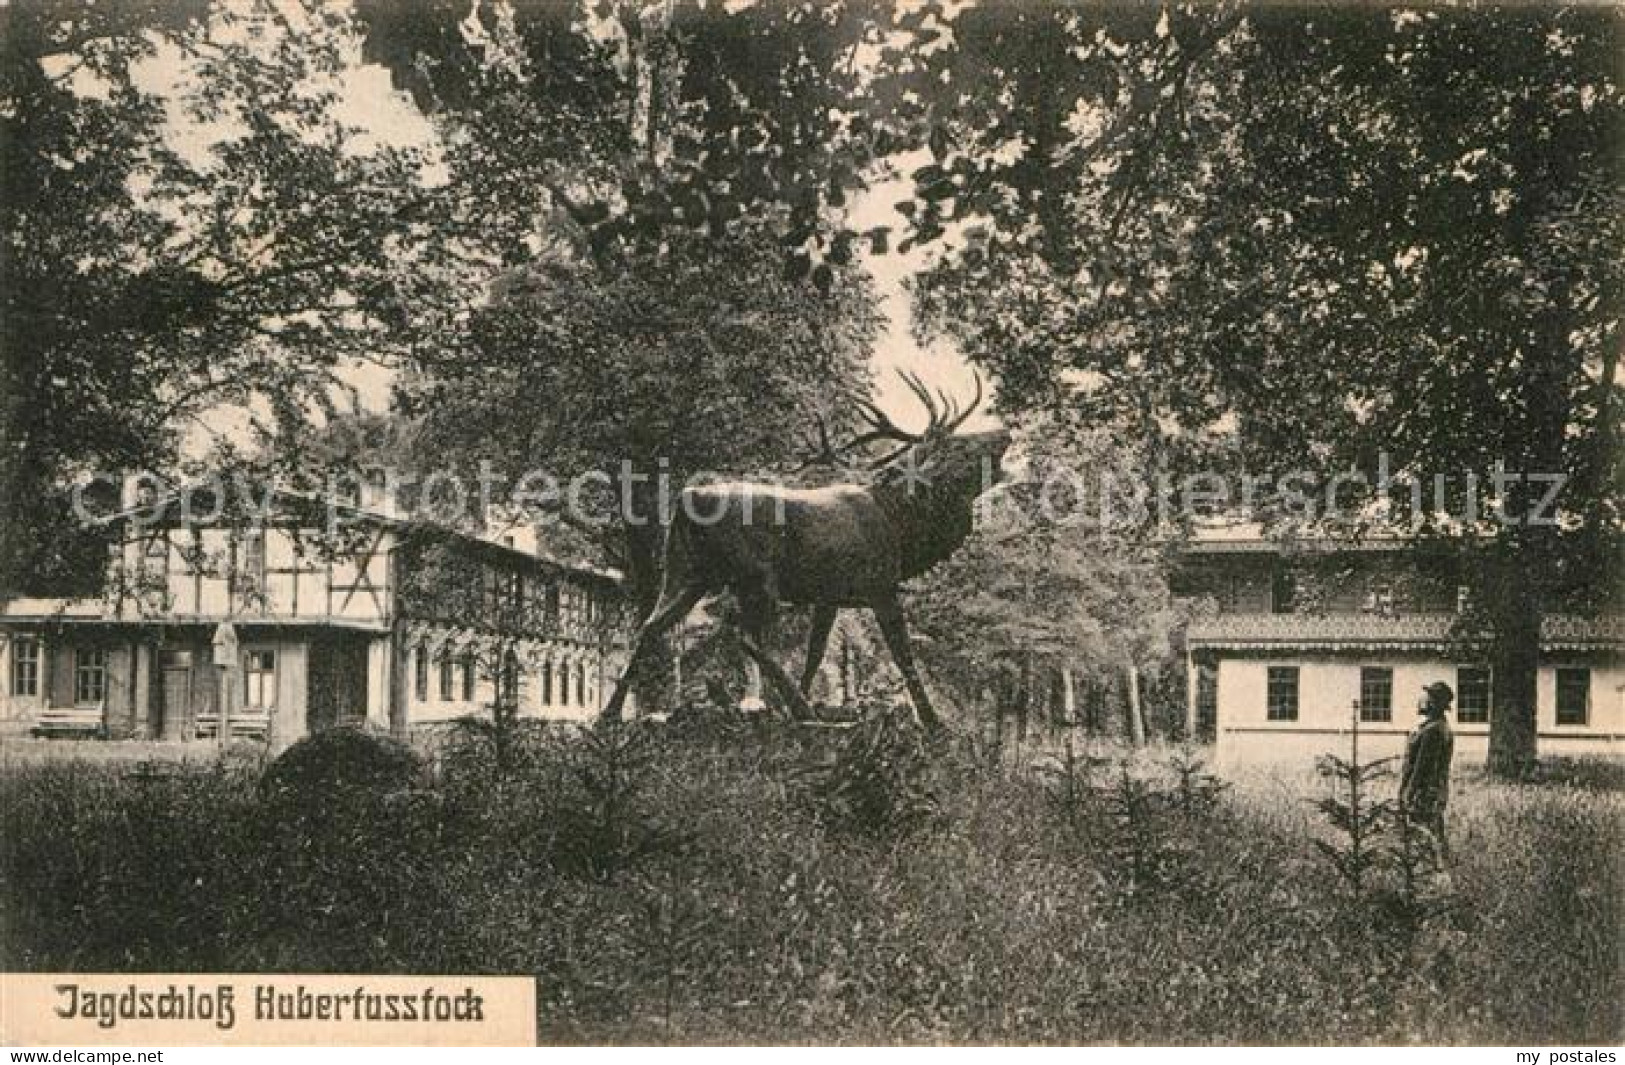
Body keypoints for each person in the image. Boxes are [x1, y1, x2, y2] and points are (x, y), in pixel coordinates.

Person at [1400, 681, 1455, 854]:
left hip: (1424, 791)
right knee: (1434, 831)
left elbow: (1421, 766)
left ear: (1433, 704)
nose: (1422, 700)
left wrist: (1408, 791)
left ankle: (1435, 870)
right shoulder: (1439, 727)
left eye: (1428, 697)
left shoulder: (1433, 731)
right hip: (1434, 789)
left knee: (1423, 834)